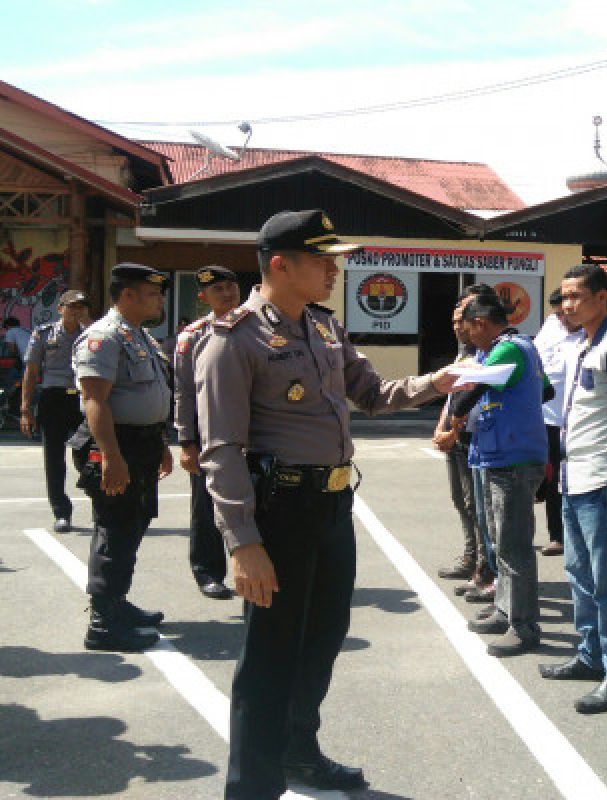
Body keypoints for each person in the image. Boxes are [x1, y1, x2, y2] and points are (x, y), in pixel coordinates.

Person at [195, 209, 457, 799]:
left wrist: (437, 382)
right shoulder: (232, 339)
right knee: (269, 659)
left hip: (332, 508)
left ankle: (298, 754)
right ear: (281, 265)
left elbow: (372, 393)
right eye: (322, 259)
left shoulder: (323, 327)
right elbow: (220, 451)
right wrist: (244, 543)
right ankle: (252, 788)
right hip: (278, 512)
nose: (335, 269)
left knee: (321, 639)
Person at [538, 263, 607, 714]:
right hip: (574, 476)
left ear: (603, 297)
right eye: (565, 296)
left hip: (604, 478)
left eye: (577, 295)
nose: (569, 304)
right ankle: (590, 654)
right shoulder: (580, 344)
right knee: (579, 573)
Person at [72, 265, 174, 652]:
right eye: (152, 293)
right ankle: (103, 623)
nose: (159, 299)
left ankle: (116, 602)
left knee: (132, 524)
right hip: (116, 445)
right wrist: (111, 457)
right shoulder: (104, 337)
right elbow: (95, 400)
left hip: (141, 444)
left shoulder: (138, 336)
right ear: (128, 295)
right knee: (115, 528)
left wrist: (160, 443)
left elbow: (151, 397)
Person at [451, 291, 550, 656]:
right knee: (500, 540)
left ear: (480, 323)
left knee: (514, 546)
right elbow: (544, 389)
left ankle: (523, 627)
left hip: (514, 459)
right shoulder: (514, 348)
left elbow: (468, 395)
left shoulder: (507, 349)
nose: (467, 335)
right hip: (503, 454)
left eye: (468, 327)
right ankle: (506, 610)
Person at [174, 266, 242, 599]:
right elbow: (184, 392)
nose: (227, 294)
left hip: (254, 431)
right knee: (207, 503)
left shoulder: (260, 327)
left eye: (231, 287)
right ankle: (208, 571)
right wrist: (186, 442)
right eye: (218, 290)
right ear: (203, 297)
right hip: (209, 433)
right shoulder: (193, 336)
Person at [20, 290, 91, 532]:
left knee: (87, 454)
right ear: (60, 308)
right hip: (53, 399)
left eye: (80, 307)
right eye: (71, 307)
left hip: (82, 399)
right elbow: (30, 371)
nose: (76, 311)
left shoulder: (91, 334)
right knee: (54, 459)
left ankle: (101, 506)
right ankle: (61, 512)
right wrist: (25, 409)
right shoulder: (43, 334)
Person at [433, 294, 490, 593]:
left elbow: (473, 400)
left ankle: (483, 565)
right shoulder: (464, 351)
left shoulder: (486, 353)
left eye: (462, 320)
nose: (457, 327)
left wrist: (453, 431)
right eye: (454, 321)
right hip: (453, 434)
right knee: (460, 499)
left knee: (476, 505)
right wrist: (441, 426)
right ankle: (471, 556)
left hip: (470, 436)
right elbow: (454, 397)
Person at [533, 288, 585, 556]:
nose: (563, 318)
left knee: (563, 480)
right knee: (547, 476)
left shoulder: (588, 335)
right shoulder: (551, 326)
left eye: (565, 313)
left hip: (573, 419)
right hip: (544, 416)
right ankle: (557, 532)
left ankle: (560, 536)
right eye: (558, 313)